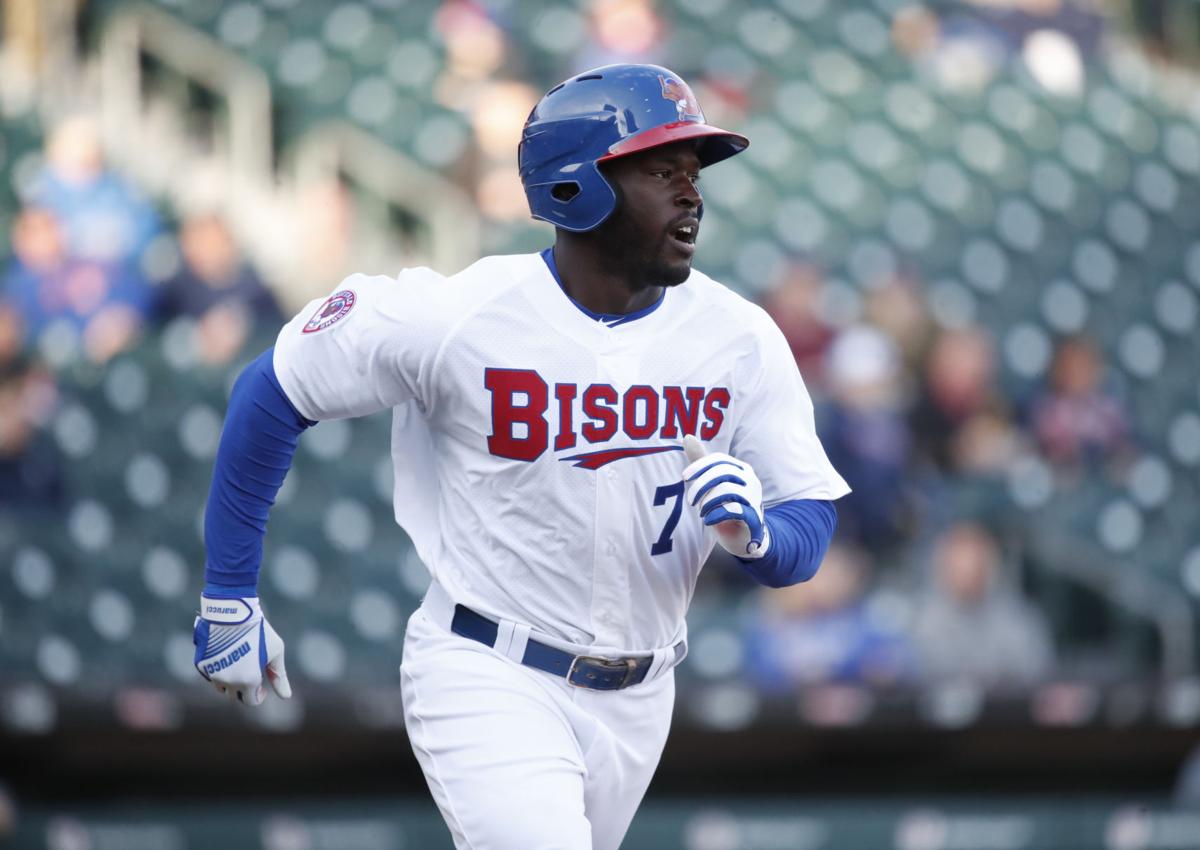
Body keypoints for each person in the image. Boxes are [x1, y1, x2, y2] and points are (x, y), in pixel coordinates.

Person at [191, 64, 850, 850]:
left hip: (644, 692)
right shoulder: (456, 315)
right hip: (489, 668)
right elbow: (272, 390)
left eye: (694, 171)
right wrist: (228, 592)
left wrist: (762, 541)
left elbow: (806, 520)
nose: (691, 193)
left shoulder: (739, 337)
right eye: (660, 168)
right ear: (577, 187)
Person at [911, 521, 1054, 690]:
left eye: (976, 564)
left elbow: (1037, 675)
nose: (967, 573)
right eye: (958, 566)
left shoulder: (1017, 619)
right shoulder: (918, 620)